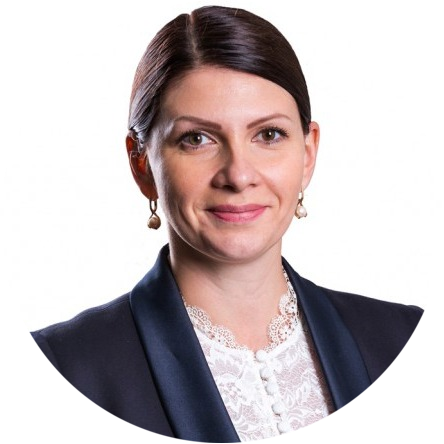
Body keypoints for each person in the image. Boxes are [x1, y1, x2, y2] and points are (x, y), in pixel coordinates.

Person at [29, 5, 423, 441]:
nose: (238, 175)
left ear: (308, 154)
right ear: (142, 165)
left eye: (268, 135)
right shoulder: (67, 366)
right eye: (197, 139)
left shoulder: (401, 336)